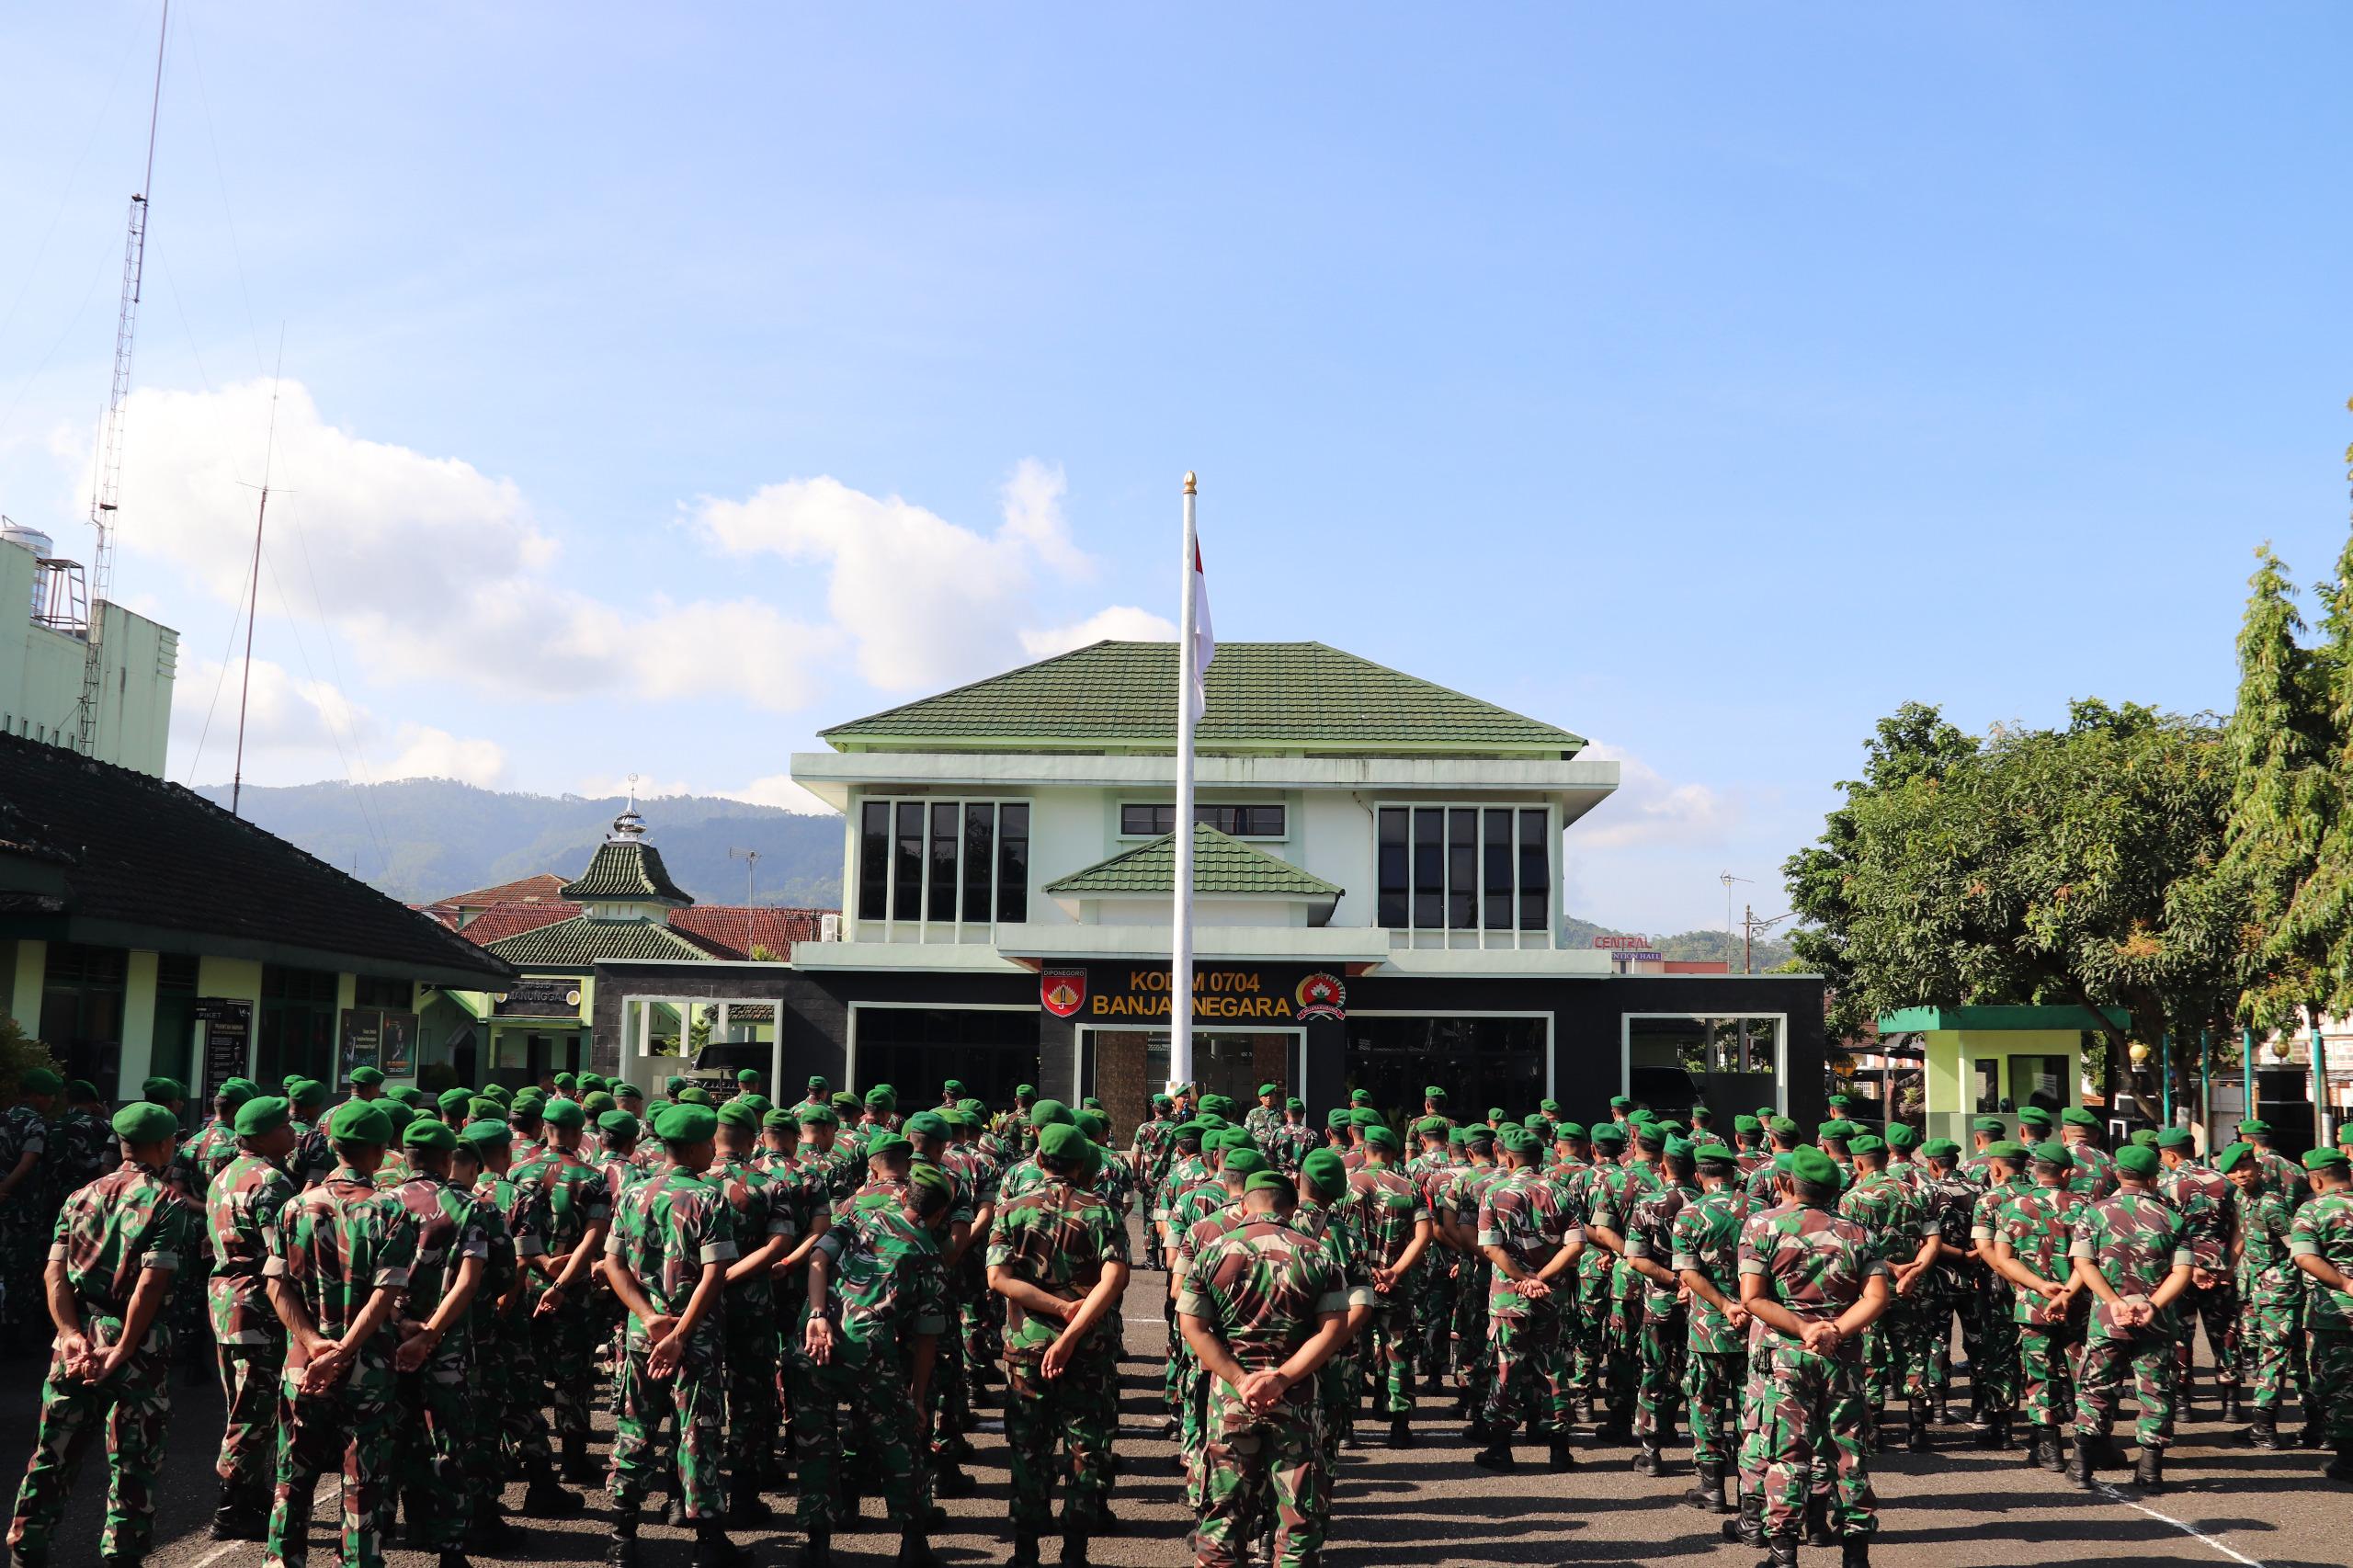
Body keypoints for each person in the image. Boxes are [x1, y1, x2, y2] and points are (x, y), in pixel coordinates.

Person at [5, 1101, 199, 1567]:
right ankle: (121, 1554)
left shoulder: (80, 1196)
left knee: (53, 1451)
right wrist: (125, 1347)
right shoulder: (166, 1201)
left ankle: (26, 1547)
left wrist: (69, 1333)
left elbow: (54, 1272)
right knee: (133, 1459)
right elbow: (150, 1283)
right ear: (164, 1144)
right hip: (135, 1342)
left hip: (76, 1338)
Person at [262, 1099, 421, 1568]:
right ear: (379, 1151)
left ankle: (281, 1561)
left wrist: (314, 1344)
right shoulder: (390, 1210)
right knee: (363, 1475)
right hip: (365, 1364)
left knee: (293, 1474)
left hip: (303, 1362)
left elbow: (276, 1283)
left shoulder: (294, 1207)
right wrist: (344, 1351)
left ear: (332, 1146)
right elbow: (385, 1294)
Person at [1176, 1168, 1351, 1568]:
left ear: (1242, 1206)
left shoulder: (1214, 1251)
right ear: (1290, 1208)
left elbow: (1193, 1326)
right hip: (1297, 1399)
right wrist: (1281, 1377)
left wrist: (1240, 1378)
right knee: (1297, 1520)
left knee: (1223, 1516)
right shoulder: (1316, 1253)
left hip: (1232, 1399)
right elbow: (1334, 1327)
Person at [601, 1101, 744, 1567]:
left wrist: (647, 1317)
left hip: (644, 1335)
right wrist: (680, 1332)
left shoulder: (633, 1193)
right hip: (693, 1337)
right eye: (710, 1144)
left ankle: (623, 1536)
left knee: (634, 1427)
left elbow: (613, 1264)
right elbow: (714, 1274)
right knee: (697, 1433)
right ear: (699, 1147)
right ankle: (706, 1542)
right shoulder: (708, 1197)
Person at [790, 1151, 949, 1566]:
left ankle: (817, 1544)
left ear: (904, 1198)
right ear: (941, 1211)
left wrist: (819, 1316)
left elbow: (818, 1258)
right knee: (898, 1443)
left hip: (812, 1342)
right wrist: (916, 1397)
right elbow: (926, 1336)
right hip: (870, 1351)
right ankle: (913, 1542)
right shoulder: (929, 1255)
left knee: (814, 1442)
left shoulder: (858, 1217)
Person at [986, 1122, 1129, 1568]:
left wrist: (1052, 1310)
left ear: (1041, 1160)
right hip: (1087, 1349)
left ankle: (1025, 1552)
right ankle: (1074, 1554)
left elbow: (997, 1279)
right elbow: (1116, 1278)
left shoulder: (1011, 1209)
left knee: (1029, 1450)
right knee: (1086, 1450)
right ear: (1084, 1165)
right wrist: (1071, 1328)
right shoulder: (1101, 1211)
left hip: (1027, 1349)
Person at [1739, 1144, 1889, 1568]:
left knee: (1786, 1452)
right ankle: (1856, 1551)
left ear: (1788, 1184)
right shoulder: (1858, 1232)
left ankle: (1783, 1551)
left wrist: (1805, 1328)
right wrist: (1836, 1329)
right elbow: (1877, 1295)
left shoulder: (1763, 1226)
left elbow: (1753, 1297)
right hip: (1842, 1356)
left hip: (1785, 1358)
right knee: (1848, 1452)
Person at [384, 1118, 489, 1568]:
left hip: (386, 1338)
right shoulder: (468, 1205)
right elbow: (468, 1283)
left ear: (405, 1156)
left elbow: (368, 1278)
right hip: (443, 1343)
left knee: (389, 1431)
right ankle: (450, 1547)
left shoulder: (381, 1202)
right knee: (446, 1438)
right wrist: (430, 1332)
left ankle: (389, 1527)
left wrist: (402, 1323)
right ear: (449, 1160)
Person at [201, 1093, 300, 1541]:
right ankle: (231, 1507)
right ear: (264, 1135)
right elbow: (283, 1254)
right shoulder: (270, 1181)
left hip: (227, 1302)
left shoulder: (225, 1176)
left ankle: (249, 1492)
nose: (292, 1132)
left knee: (242, 1403)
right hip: (257, 1304)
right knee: (254, 1408)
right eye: (285, 1126)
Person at [2067, 1142, 2192, 1492]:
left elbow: (2083, 1263)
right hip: (2157, 1323)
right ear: (2154, 1179)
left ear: (2118, 1175)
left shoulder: (2093, 1213)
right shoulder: (2172, 1218)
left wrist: (2112, 1302)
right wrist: (2152, 1305)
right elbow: (2181, 1273)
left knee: (2096, 1389)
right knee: (2156, 1392)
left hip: (2108, 1320)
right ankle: (2150, 1472)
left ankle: (2081, 1468)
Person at [1472, 1126, 1584, 1473]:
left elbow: (1491, 1247)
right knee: (1553, 1367)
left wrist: (1523, 1278)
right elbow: (1576, 1245)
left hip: (1510, 1297)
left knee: (1507, 1367)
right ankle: (1559, 1450)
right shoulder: (1561, 1192)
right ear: (1542, 1158)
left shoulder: (1494, 1193)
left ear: (1507, 1158)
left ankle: (1501, 1447)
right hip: (1552, 1296)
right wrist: (1543, 1277)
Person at [1979, 1140, 2088, 1472]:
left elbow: (2002, 1258)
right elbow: (2089, 1261)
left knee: (2039, 1373)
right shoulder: (2085, 1207)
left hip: (2033, 1304)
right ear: (2066, 1173)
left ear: (2036, 1171)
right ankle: (2089, 1445)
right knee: (2082, 1373)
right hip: (2077, 1303)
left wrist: (2040, 1286)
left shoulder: (2013, 1207)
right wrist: (2066, 1293)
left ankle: (2048, 1448)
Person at [1670, 1141, 1751, 1515]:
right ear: (1733, 1174)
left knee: (1706, 1405)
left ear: (1700, 1175)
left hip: (1709, 1329)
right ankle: (1754, 1494)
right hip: (1757, 1326)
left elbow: (1688, 1272)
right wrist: (1745, 1306)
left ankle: (1712, 1487)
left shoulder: (1690, 1215)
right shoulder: (1763, 1211)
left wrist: (1724, 1305)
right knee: (1754, 1409)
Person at [1347, 1122, 1433, 1449]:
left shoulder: (1345, 1185)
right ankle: (1399, 1426)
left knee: (1351, 1353)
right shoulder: (1408, 1186)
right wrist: (1394, 1271)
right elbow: (1424, 1236)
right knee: (1398, 1351)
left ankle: (1346, 1429)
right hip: (1395, 1285)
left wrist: (1365, 1270)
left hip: (1355, 1284)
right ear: (1394, 1154)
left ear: (1365, 1151)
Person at [2220, 1141, 2300, 1450]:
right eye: (2233, 1172)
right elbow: (2241, 1232)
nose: (2239, 1175)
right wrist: (2230, 1266)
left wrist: (2283, 1282)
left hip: (2278, 1291)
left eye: (2244, 1168)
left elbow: (2295, 1246)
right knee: (2264, 1353)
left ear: (2257, 1166)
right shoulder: (2243, 1198)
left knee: (2274, 1356)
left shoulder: (2272, 1203)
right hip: (2256, 1288)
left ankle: (2264, 1427)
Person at [2154, 1128, 2239, 1420]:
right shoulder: (2224, 1182)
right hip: (2220, 1271)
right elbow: (2238, 1228)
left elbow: (2164, 1233)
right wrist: (2228, 1265)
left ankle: (2182, 1404)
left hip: (2182, 1271)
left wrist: (2189, 1269)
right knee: (2226, 1334)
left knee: (2180, 1335)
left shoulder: (2164, 1185)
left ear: (2171, 1154)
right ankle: (2231, 1403)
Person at [2286, 1145, 2353, 1481]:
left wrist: (2344, 1282)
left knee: (2336, 1380)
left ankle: (2347, 1458)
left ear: (2315, 1180)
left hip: (2333, 1312)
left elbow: (2304, 1257)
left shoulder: (2311, 1211)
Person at [0, 1068, 62, 1352]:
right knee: (20, 1271)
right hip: (22, 1208)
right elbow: (29, 1160)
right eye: (49, 1096)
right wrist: (6, 1188)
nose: (51, 1102)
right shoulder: (35, 1123)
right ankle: (13, 1336)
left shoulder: (3, 1117)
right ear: (37, 1096)